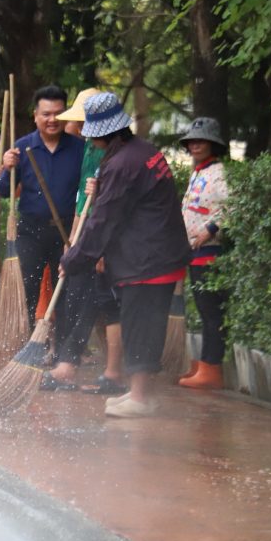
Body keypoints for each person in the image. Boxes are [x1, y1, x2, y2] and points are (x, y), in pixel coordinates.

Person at [61, 92, 191, 418]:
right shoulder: (143, 151)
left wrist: (74, 259)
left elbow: (104, 220)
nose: (88, 137)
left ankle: (142, 397)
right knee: (142, 323)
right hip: (157, 253)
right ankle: (139, 392)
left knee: (140, 325)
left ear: (103, 133)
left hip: (147, 259)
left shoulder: (122, 164)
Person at [43, 89, 126, 393]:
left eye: (82, 121)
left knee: (94, 300)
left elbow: (112, 204)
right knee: (77, 295)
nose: (77, 127)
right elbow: (83, 199)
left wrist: (99, 249)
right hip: (86, 233)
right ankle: (75, 363)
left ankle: (73, 364)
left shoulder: (115, 153)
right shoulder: (90, 147)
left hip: (105, 238)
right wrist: (73, 241)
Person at [0, 85, 85, 341]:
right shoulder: (22, 147)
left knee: (65, 291)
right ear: (35, 115)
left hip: (66, 232)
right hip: (30, 231)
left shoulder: (80, 149)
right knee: (27, 287)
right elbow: (4, 192)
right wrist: (6, 168)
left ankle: (63, 353)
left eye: (58, 113)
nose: (52, 119)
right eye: (46, 114)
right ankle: (25, 345)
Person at [178, 117, 230, 390]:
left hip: (211, 250)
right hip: (195, 252)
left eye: (202, 140)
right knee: (203, 309)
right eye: (192, 141)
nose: (196, 145)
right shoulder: (199, 171)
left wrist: (209, 230)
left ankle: (212, 367)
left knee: (211, 311)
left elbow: (233, 206)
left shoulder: (219, 173)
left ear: (213, 144)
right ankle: (205, 363)